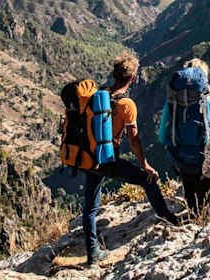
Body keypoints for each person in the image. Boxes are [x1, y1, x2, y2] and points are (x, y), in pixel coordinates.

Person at [81, 54, 182, 264]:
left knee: (90, 206)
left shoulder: (99, 96)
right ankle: (168, 218)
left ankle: (92, 253)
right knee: (148, 180)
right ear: (133, 78)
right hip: (109, 158)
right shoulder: (127, 104)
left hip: (90, 157)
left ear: (114, 74)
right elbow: (134, 140)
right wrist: (145, 164)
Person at [158, 59, 210, 217]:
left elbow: (162, 136)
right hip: (206, 162)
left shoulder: (172, 104)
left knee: (190, 194)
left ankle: (193, 215)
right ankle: (204, 219)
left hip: (183, 161)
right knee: (205, 197)